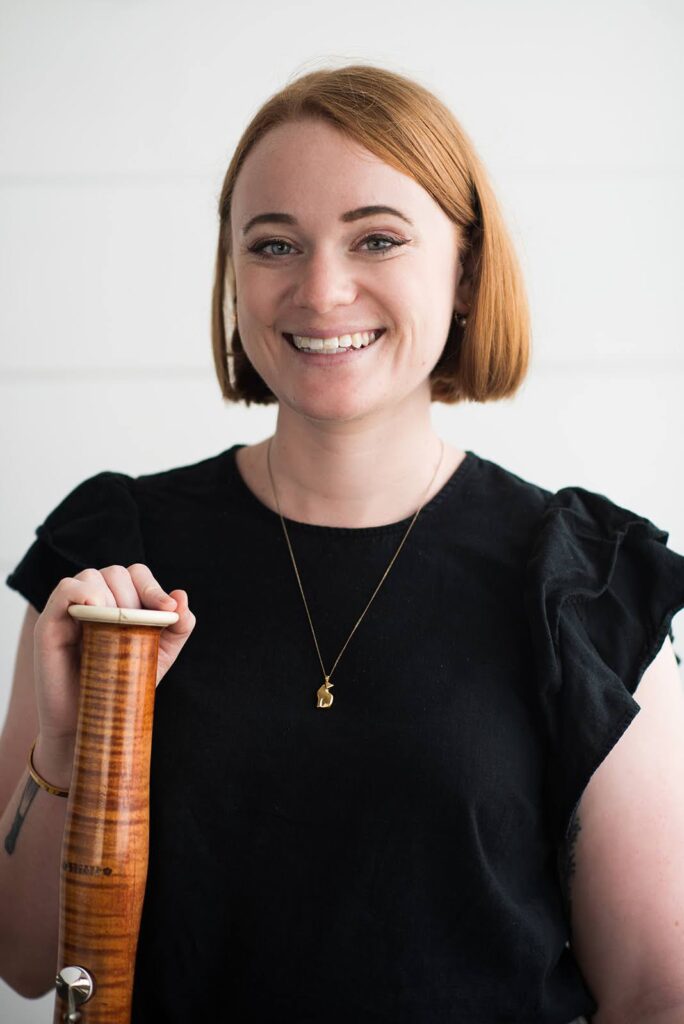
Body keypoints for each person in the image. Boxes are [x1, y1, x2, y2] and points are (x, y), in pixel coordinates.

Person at [1, 63, 684, 1023]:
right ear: (234, 279)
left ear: (465, 274)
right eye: (274, 243)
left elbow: (656, 996)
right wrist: (68, 745)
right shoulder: (116, 556)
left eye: (377, 238)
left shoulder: (582, 584)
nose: (322, 290)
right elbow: (28, 960)